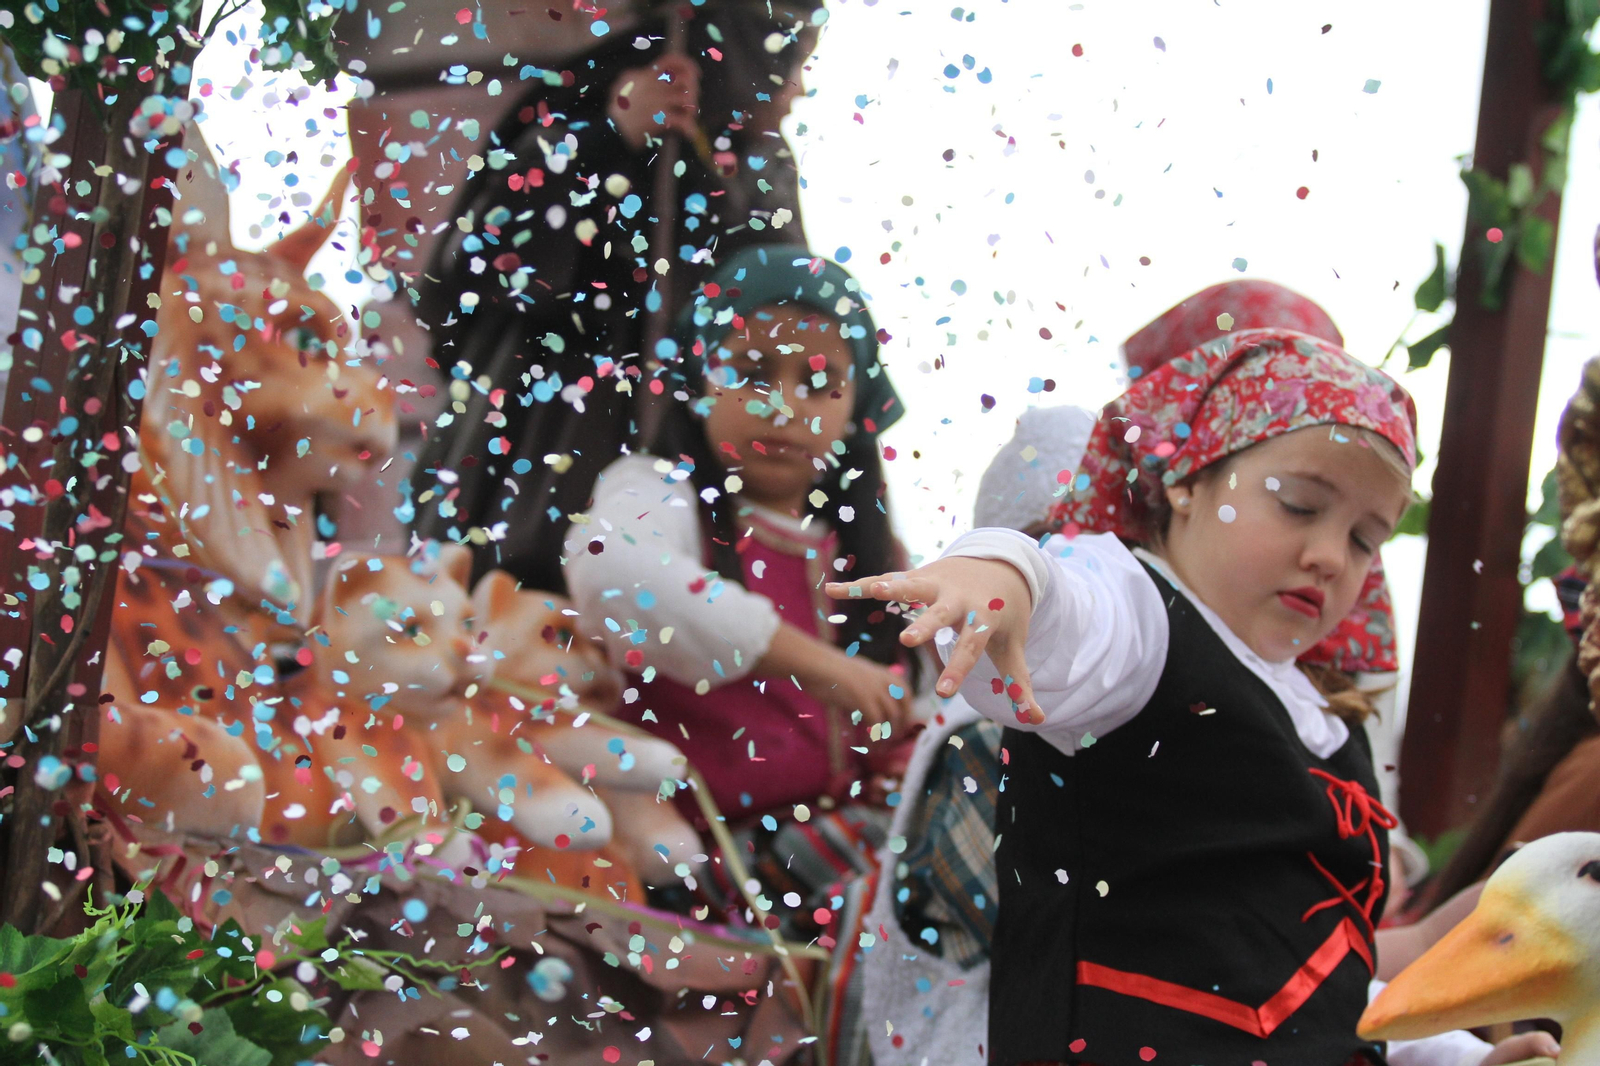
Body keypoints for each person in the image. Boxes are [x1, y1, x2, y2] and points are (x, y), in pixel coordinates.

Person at [825, 327, 1545, 1065]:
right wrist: (1001, 574)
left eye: (1366, 538)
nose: (1330, 555)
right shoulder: (1142, 622)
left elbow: (1312, 983)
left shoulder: (1325, 724)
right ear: (1187, 483)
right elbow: (1064, 602)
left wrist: (1456, 1057)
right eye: (1299, 504)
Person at [409, 0, 822, 593]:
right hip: (556, 458)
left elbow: (789, 310)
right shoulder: (585, 105)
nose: (800, 86)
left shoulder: (762, 161)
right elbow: (480, 264)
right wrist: (610, 135)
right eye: (788, 59)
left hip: (705, 466)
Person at [564, 245, 918, 921]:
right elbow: (612, 568)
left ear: (858, 406)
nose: (784, 406)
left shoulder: (874, 556)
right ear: (702, 379)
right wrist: (814, 663)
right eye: (752, 372)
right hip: (703, 859)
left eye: (818, 382)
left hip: (847, 850)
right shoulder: (656, 494)